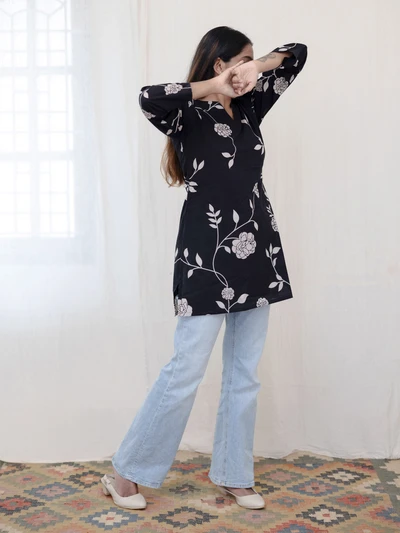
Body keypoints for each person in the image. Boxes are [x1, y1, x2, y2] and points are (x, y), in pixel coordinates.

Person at [101, 26, 308, 510]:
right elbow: (148, 96)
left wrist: (256, 68)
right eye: (241, 59)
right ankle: (126, 473)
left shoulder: (251, 106)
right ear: (219, 64)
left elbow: (297, 53)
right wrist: (214, 87)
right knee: (186, 369)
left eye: (253, 61)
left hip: (258, 254)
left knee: (245, 372)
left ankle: (235, 475)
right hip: (206, 258)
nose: (249, 70)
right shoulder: (185, 115)